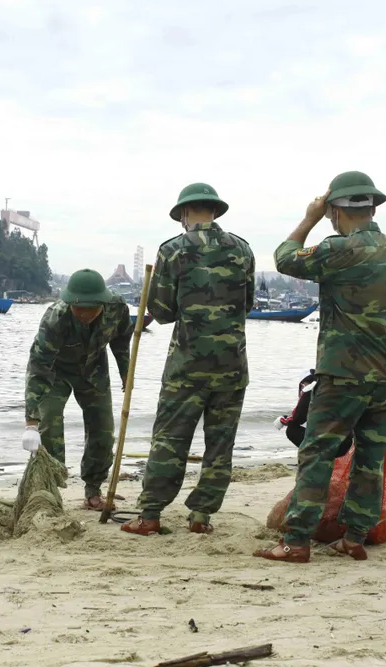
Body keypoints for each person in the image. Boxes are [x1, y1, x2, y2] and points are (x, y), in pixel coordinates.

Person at [255, 171, 386, 563]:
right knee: (369, 458)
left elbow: (284, 258)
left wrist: (309, 218)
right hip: (384, 376)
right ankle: (355, 538)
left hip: (342, 374)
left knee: (318, 452)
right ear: (373, 207)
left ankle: (296, 542)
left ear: (335, 210)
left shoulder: (339, 249)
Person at [121, 183, 255, 536]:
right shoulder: (242, 250)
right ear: (214, 210)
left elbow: (162, 312)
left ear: (183, 213)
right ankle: (201, 517)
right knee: (220, 444)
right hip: (232, 365)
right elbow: (248, 304)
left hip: (187, 365)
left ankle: (151, 514)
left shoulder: (173, 250)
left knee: (170, 440)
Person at [22, 268, 133, 509]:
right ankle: (51, 491)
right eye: (77, 307)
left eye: (89, 308)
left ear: (102, 303)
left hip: (94, 369)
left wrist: (126, 370)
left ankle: (93, 491)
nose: (82, 313)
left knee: (103, 430)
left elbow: (122, 340)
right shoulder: (55, 318)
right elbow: (38, 367)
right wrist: (31, 422)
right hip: (56, 372)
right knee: (49, 424)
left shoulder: (117, 308)